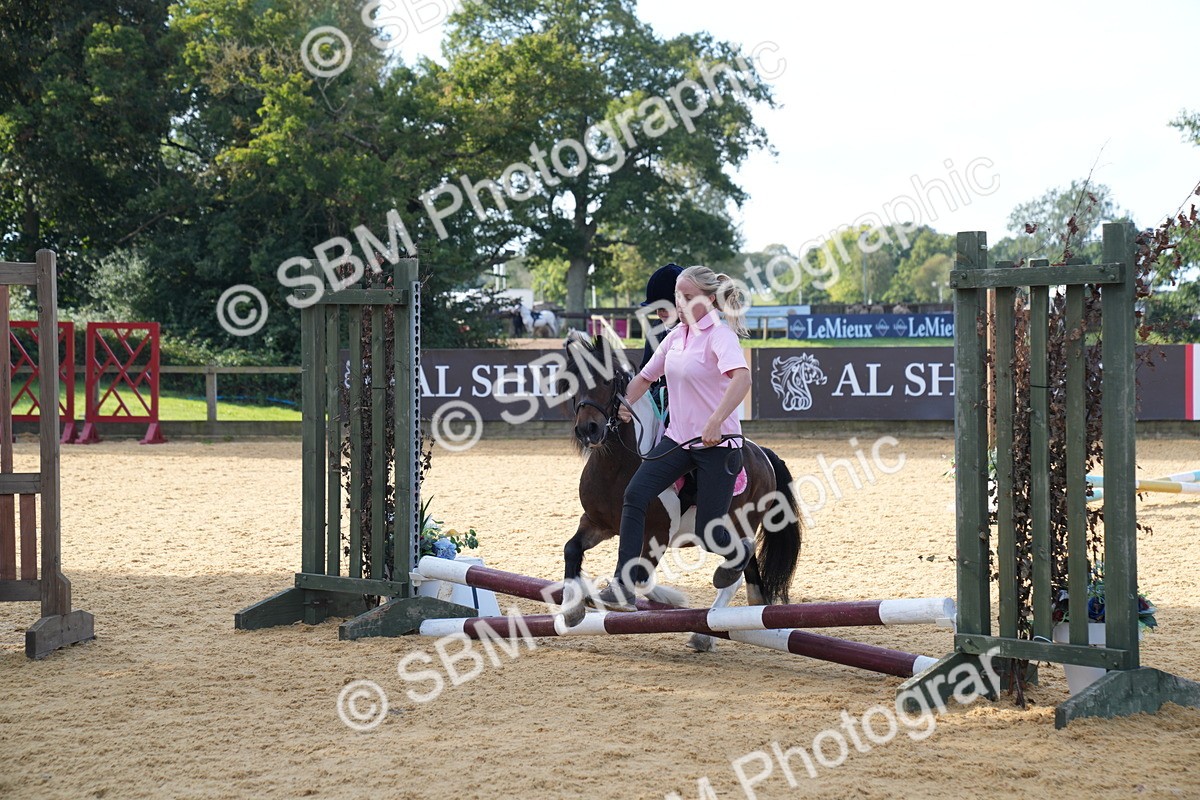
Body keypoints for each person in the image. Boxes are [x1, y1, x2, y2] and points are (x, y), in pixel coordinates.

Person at [587, 265, 752, 613]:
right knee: (635, 494)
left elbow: (741, 379)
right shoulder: (675, 338)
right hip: (678, 441)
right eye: (678, 296)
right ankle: (624, 586)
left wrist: (716, 420)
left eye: (688, 297)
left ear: (709, 300)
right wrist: (626, 402)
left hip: (717, 446)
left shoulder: (720, 337)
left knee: (710, 533)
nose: (680, 303)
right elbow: (645, 377)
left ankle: (738, 552)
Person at [639, 263, 683, 429]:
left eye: (665, 307)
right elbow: (645, 369)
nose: (660, 313)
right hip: (660, 404)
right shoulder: (655, 330)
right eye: (656, 308)